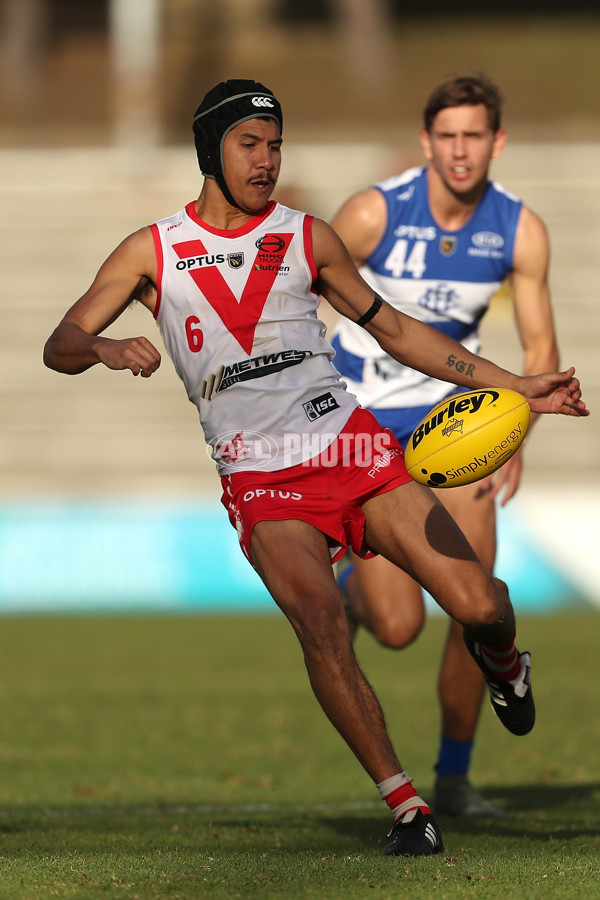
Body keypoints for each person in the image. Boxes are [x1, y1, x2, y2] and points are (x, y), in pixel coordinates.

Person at [43, 79, 588, 857]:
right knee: (322, 624)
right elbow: (59, 341)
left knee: (480, 606)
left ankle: (504, 659)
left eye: (275, 146)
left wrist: (516, 386)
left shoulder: (310, 237)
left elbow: (398, 331)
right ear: (211, 150)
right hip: (259, 479)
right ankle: (408, 807)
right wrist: (99, 346)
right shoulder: (150, 251)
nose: (266, 162)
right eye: (249, 145)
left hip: (356, 451)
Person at [329, 74, 561, 818]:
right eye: (448, 136)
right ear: (428, 141)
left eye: (475, 136)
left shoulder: (519, 231)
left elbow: (538, 343)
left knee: (478, 608)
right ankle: (345, 595)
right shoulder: (372, 212)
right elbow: (303, 302)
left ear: (497, 142)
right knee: (397, 627)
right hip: (366, 427)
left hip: (453, 425)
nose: (461, 151)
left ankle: (455, 779)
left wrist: (515, 429)